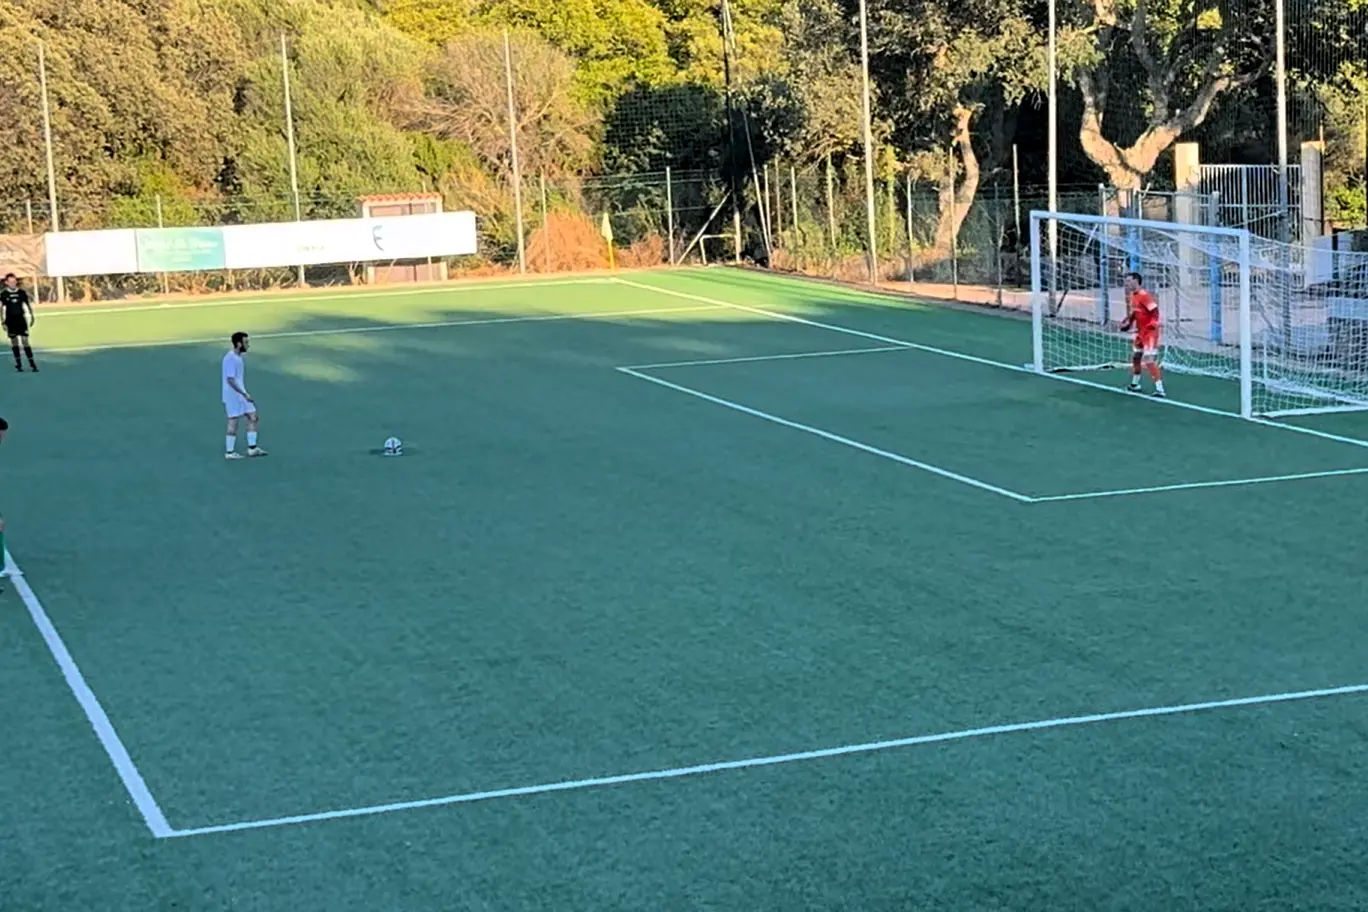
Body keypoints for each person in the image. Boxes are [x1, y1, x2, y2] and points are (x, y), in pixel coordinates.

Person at [1119, 271, 1165, 398]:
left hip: (1150, 333)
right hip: (1140, 332)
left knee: (1149, 360)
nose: (1126, 283)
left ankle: (1160, 389)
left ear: (1136, 281)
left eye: (1128, 281)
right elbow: (1135, 313)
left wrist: (1153, 324)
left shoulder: (1144, 295)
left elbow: (1155, 311)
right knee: (1136, 357)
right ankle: (1135, 384)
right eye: (1126, 281)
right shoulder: (1133, 296)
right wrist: (1129, 323)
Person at [222, 332, 266, 460]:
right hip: (233, 395)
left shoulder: (238, 357)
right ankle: (229, 452)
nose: (248, 345)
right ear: (238, 344)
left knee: (253, 416)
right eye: (246, 342)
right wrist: (244, 394)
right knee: (233, 421)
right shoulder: (230, 358)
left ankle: (252, 449)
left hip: (241, 393)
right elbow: (230, 380)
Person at [0, 274, 38, 372]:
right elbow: (1, 308)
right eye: (10, 282)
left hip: (21, 320)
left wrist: (32, 316)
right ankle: (19, 364)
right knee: (14, 342)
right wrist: (3, 321)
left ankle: (32, 363)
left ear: (16, 281)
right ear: (6, 283)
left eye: (14, 281)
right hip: (10, 321)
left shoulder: (22, 293)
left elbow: (27, 304)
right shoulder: (3, 294)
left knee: (25, 341)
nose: (13, 283)